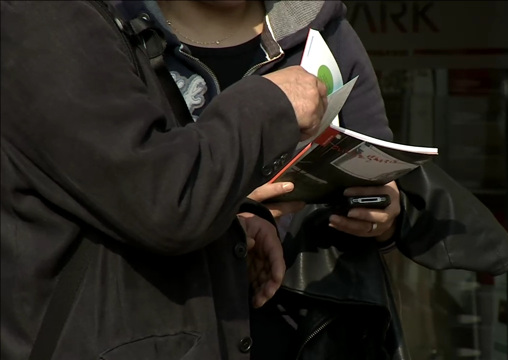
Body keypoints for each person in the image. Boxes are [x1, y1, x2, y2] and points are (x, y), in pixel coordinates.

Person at [116, 1, 508, 359]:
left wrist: (386, 214)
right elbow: (111, 186)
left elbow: (371, 151)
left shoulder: (324, 31)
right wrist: (229, 200)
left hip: (307, 320)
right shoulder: (115, 33)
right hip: (166, 318)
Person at [1, 1, 330, 359]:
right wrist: (271, 102)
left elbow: (112, 185)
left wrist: (227, 233)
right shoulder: (43, 17)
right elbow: (161, 197)